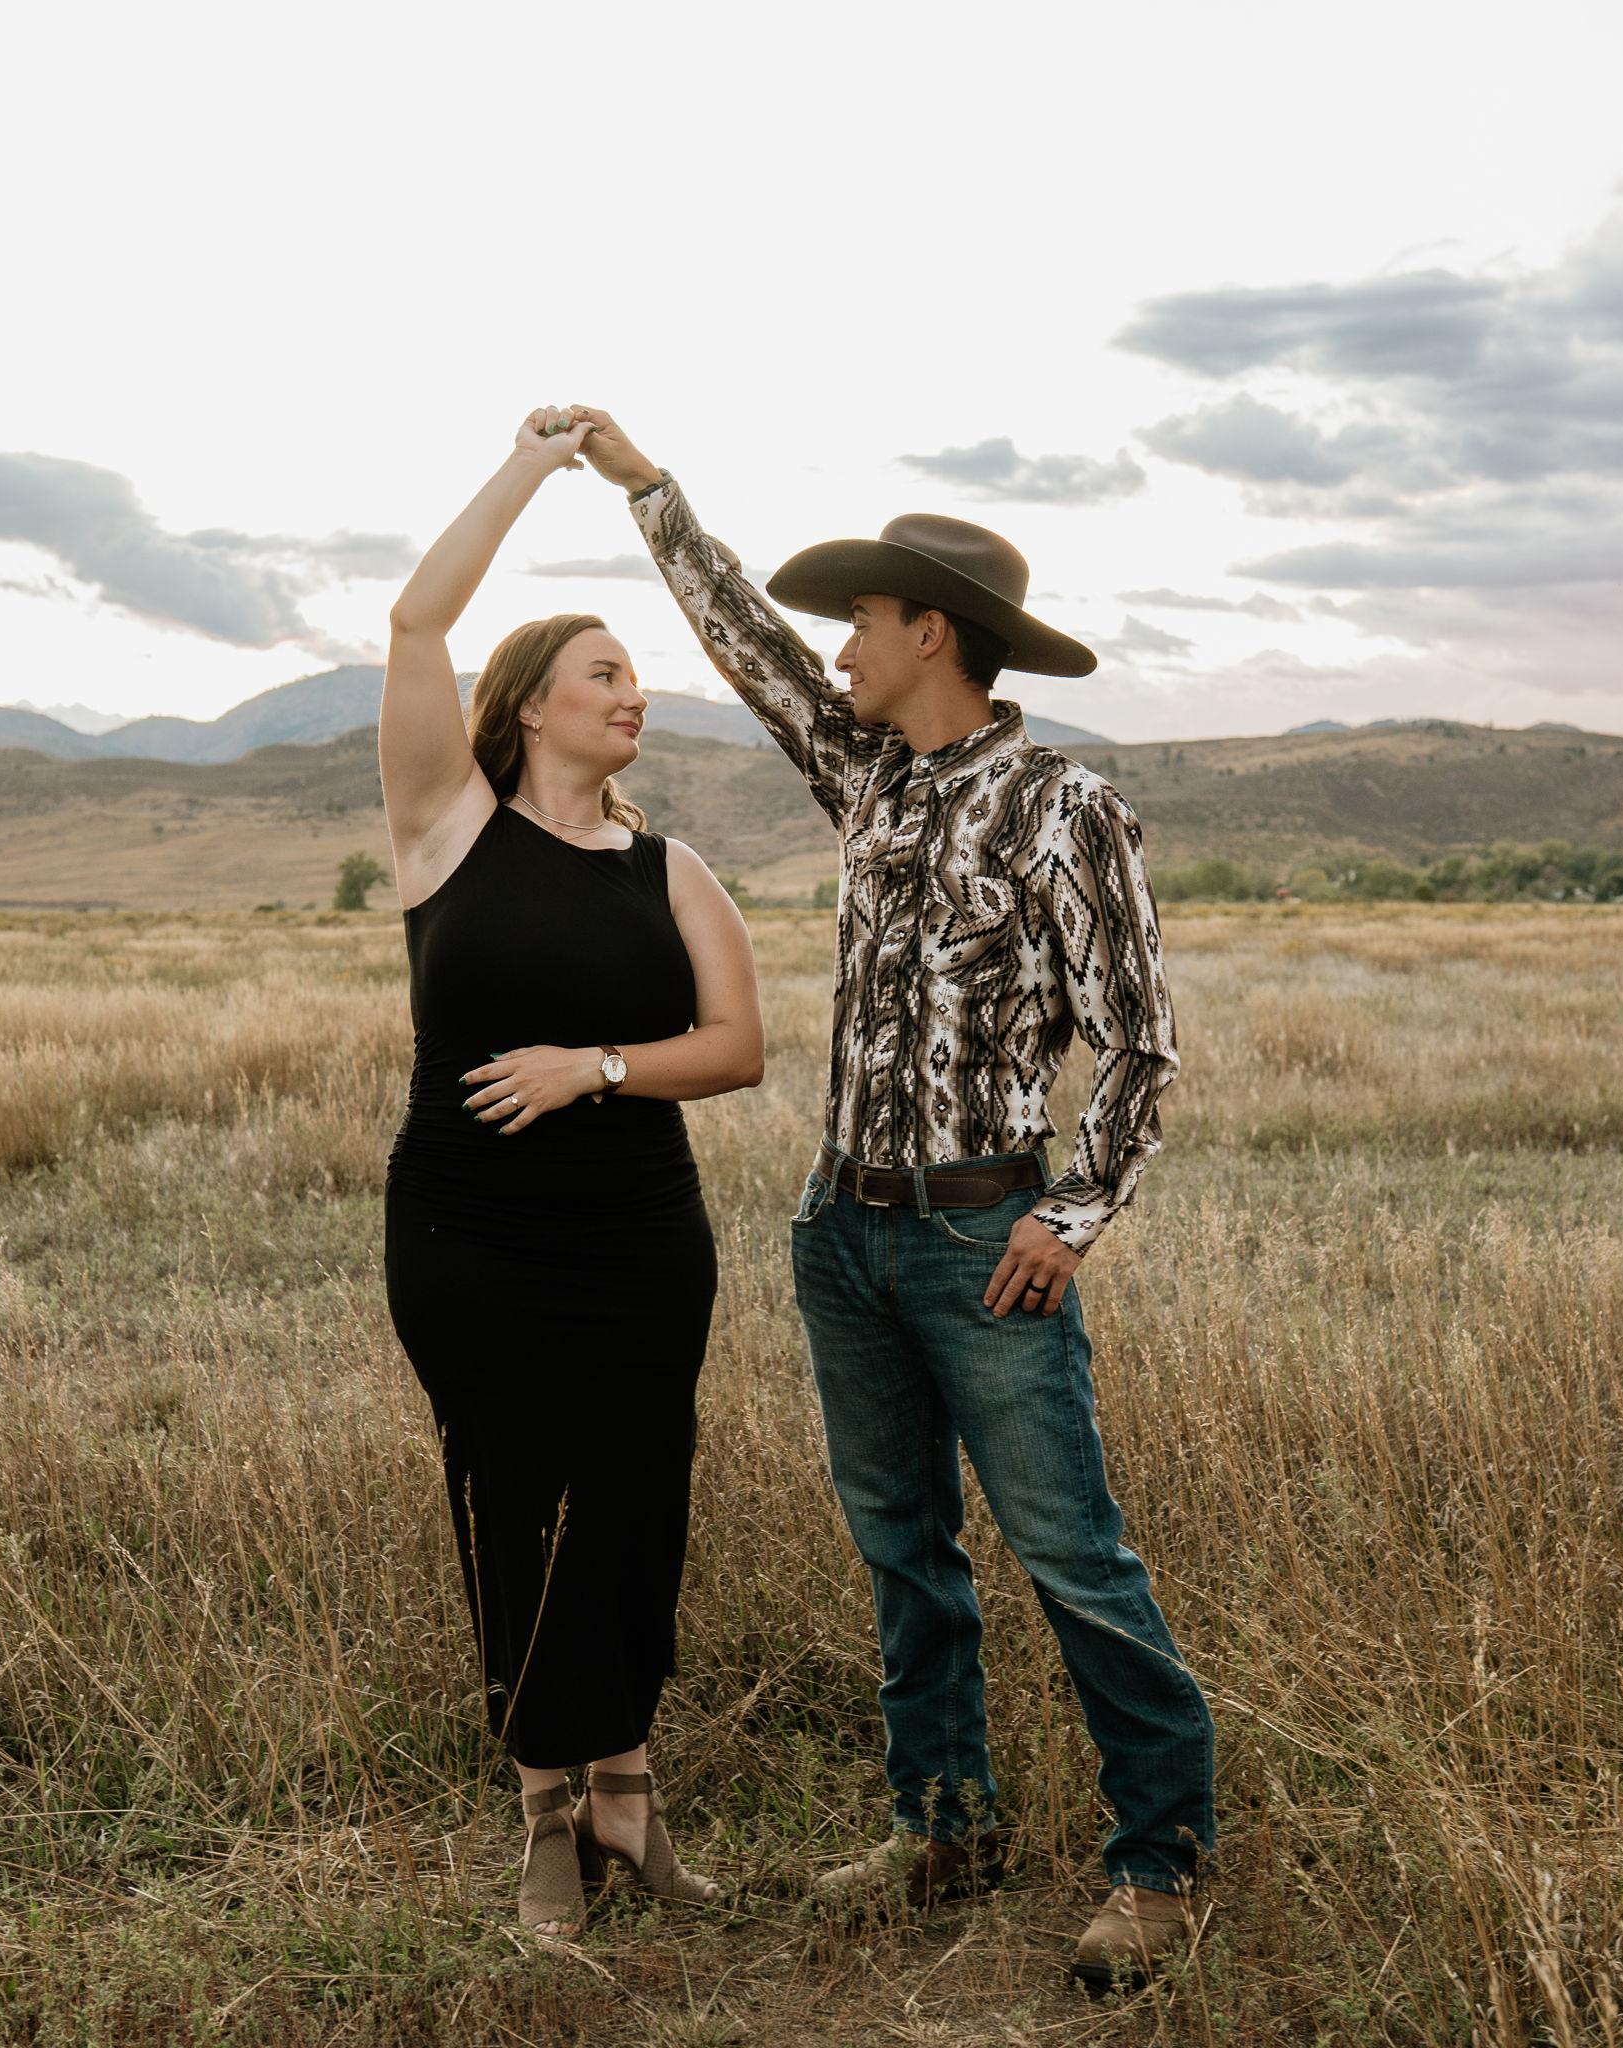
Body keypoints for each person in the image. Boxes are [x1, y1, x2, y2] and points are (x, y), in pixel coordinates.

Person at [569, 406, 1216, 1987]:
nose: (837, 647)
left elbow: (1141, 1045)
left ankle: (1165, 1865)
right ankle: (948, 1826)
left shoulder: (1069, 808)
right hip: (839, 1229)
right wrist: (650, 490)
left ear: (933, 634)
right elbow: (748, 654)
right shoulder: (867, 778)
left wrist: (1066, 1221)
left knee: (1070, 1552)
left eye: (861, 621)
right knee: (901, 1547)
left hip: (981, 1234)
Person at [378, 407, 764, 1939]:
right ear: (530, 704)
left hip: (639, 1242)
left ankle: (631, 1802)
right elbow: (415, 619)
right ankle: (549, 1813)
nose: (636, 694)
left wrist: (591, 1068)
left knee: (635, 1504)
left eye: (636, 677)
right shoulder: (443, 833)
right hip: (469, 1241)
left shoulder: (675, 872)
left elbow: (737, 1048)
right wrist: (540, 467)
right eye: (608, 672)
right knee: (507, 1501)